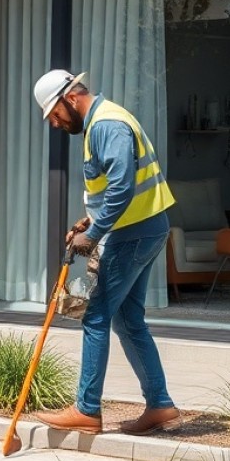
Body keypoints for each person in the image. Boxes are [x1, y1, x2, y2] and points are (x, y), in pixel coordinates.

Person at [31, 69, 179, 435]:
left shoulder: (105, 125)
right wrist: (91, 220)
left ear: (70, 98)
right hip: (145, 228)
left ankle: (86, 409)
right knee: (128, 320)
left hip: (133, 234)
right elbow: (114, 188)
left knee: (95, 316)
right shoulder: (106, 119)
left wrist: (95, 233)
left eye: (54, 114)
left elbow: (122, 187)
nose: (54, 123)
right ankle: (160, 405)